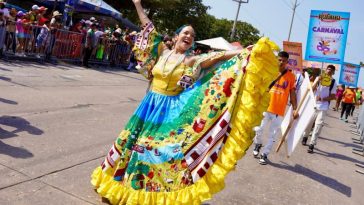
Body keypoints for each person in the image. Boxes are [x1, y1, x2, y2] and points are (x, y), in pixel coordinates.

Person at [91, 0, 281, 204]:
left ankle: (140, 191)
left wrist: (244, 52)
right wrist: (137, 4)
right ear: (175, 37)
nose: (189, 37)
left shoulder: (191, 60)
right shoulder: (161, 51)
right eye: (186, 33)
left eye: (192, 35)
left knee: (150, 150)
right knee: (130, 142)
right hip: (148, 107)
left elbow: (217, 56)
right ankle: (115, 184)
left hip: (171, 113)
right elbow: (148, 27)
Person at [252, 51, 298, 165]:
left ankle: (265, 153)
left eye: (283, 60)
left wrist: (295, 109)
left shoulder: (291, 77)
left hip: (279, 111)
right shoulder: (270, 72)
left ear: (287, 62)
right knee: (259, 129)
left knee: (273, 135)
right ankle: (257, 144)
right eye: (279, 60)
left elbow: (292, 93)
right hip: (265, 107)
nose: (281, 62)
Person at [301, 65, 337, 153]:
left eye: (331, 70)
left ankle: (312, 144)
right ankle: (305, 136)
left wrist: (323, 99)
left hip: (323, 107)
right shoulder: (319, 78)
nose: (329, 71)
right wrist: (317, 81)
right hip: (313, 105)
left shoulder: (333, 82)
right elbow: (311, 89)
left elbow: (333, 96)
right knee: (309, 123)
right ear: (325, 70)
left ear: (333, 72)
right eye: (328, 69)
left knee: (318, 125)